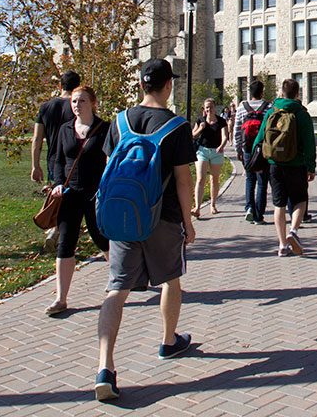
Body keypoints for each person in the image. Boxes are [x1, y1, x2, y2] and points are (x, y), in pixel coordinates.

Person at [94, 59, 196, 402]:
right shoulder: (176, 126)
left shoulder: (120, 122)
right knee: (171, 280)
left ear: (141, 85)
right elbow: (184, 181)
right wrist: (189, 221)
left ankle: (105, 367)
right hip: (162, 218)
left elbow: (110, 170)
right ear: (168, 85)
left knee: (116, 291)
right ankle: (169, 342)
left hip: (123, 218)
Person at [46, 85, 110, 315]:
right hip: (70, 195)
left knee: (102, 239)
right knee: (66, 242)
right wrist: (58, 184)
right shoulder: (64, 129)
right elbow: (58, 160)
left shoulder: (104, 128)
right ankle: (61, 298)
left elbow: (110, 160)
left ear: (92, 103)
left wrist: (107, 186)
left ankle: (119, 279)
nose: (76, 105)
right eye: (74, 101)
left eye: (81, 101)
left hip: (95, 194)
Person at [249, 78, 316, 257]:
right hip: (297, 164)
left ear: (281, 92)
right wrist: (311, 166)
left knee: (279, 204)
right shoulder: (301, 114)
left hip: (275, 165)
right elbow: (309, 143)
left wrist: (254, 161)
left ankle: (282, 245)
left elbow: (260, 138)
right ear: (297, 94)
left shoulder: (272, 111)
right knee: (300, 200)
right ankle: (293, 231)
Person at [31, 71, 80, 184]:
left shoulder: (45, 107)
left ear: (60, 86)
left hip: (53, 161)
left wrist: (35, 166)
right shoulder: (78, 108)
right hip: (73, 162)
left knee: (55, 197)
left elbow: (37, 138)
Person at [233, 80, 269, 224]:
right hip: (262, 150)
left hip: (247, 149)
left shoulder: (242, 107)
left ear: (250, 92)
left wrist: (238, 149)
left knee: (249, 179)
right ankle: (259, 216)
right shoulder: (268, 107)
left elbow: (237, 129)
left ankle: (249, 208)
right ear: (262, 91)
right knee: (262, 182)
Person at [192, 98, 229, 217]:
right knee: (200, 178)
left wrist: (222, 146)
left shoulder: (221, 121)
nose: (209, 109)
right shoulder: (200, 120)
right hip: (202, 151)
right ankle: (197, 208)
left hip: (216, 152)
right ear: (204, 109)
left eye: (211, 107)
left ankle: (213, 205)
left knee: (214, 179)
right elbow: (193, 135)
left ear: (215, 107)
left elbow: (225, 136)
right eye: (206, 107)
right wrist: (201, 128)